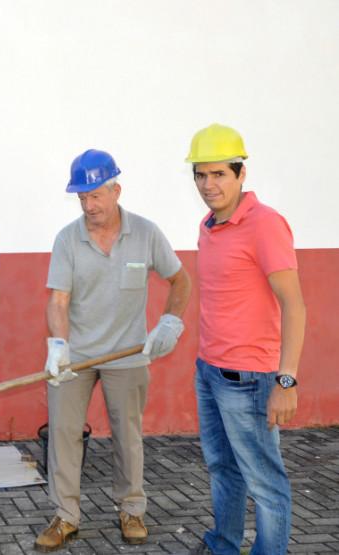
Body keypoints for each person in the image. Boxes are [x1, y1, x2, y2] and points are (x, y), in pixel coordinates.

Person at [35, 149, 191, 552]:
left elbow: (181, 281)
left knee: (128, 435)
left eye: (96, 196)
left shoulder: (146, 233)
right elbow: (58, 302)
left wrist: (170, 321)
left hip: (128, 354)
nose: (89, 206)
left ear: (116, 190)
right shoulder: (68, 238)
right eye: (82, 198)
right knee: (64, 436)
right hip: (77, 356)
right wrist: (58, 346)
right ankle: (65, 516)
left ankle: (131, 509)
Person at [185, 124, 305, 555]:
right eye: (200, 175)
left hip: (251, 379)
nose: (208, 184)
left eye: (218, 174)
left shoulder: (265, 225)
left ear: (240, 174)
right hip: (209, 370)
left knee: (265, 482)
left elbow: (295, 305)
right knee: (222, 469)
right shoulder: (208, 224)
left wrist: (285, 381)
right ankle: (223, 545)